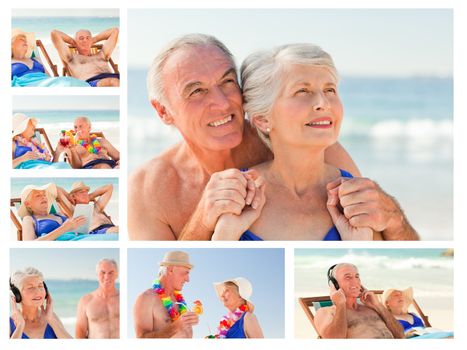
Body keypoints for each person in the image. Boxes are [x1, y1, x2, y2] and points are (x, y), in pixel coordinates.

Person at [128, 33, 418, 241]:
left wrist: (394, 217)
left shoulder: (304, 142)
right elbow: (166, 295)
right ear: (163, 111)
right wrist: (203, 221)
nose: (222, 102)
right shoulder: (150, 188)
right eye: (197, 91)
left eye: (228, 82)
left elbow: (373, 230)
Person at [314, 263, 405, 339]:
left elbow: (400, 335)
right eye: (348, 277)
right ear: (335, 284)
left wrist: (378, 305)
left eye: (357, 277)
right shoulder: (326, 312)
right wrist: (341, 305)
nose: (356, 282)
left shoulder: (373, 309)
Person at [133, 251, 199, 338]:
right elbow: (141, 339)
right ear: (170, 270)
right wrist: (176, 326)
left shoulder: (181, 303)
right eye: (185, 273)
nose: (188, 279)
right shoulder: (146, 298)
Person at [11, 29, 89, 87]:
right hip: (29, 85)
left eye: (26, 40)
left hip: (46, 82)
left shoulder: (35, 59)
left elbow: (49, 77)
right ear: (11, 44)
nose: (26, 42)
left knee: (71, 82)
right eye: (22, 40)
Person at [10, 267, 72, 339]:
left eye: (40, 286)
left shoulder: (52, 317)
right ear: (17, 294)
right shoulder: (9, 324)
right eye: (30, 288)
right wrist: (20, 327)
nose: (38, 291)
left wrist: (51, 321)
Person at [51, 28, 119, 87]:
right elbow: (54, 33)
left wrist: (95, 39)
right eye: (81, 38)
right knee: (113, 82)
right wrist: (73, 42)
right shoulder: (72, 58)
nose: (85, 40)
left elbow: (115, 31)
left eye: (88, 38)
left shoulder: (102, 54)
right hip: (92, 83)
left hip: (114, 78)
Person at [18, 183, 86, 241]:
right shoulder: (28, 219)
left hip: (82, 237)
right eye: (38, 196)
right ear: (28, 204)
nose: (43, 197)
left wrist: (69, 195)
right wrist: (65, 228)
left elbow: (57, 189)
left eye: (44, 195)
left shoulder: (58, 214)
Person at [382, 287, 454, 338]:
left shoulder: (412, 314)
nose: (400, 296)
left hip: (427, 336)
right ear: (387, 302)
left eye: (401, 294)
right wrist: (406, 335)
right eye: (396, 295)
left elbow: (426, 329)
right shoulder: (389, 319)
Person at [75, 259, 119, 338]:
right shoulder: (86, 301)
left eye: (111, 273)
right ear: (97, 275)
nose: (106, 277)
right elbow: (80, 332)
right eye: (103, 273)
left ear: (117, 275)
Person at [55, 116, 120, 169]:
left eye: (80, 126)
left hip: (111, 166)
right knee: (104, 166)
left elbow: (119, 157)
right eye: (75, 127)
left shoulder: (101, 141)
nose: (77, 129)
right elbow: (75, 167)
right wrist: (73, 149)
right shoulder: (73, 146)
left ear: (89, 127)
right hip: (91, 167)